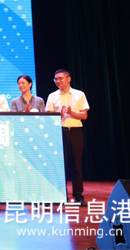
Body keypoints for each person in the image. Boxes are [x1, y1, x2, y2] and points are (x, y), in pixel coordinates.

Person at [46, 69, 89, 206]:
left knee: (77, 166)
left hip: (76, 131)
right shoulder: (52, 96)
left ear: (68, 79)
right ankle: (61, 196)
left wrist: (71, 112)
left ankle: (78, 196)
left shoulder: (79, 94)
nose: (58, 81)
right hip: (59, 132)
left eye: (61, 78)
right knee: (60, 166)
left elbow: (84, 115)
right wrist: (60, 114)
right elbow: (49, 117)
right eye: (56, 79)